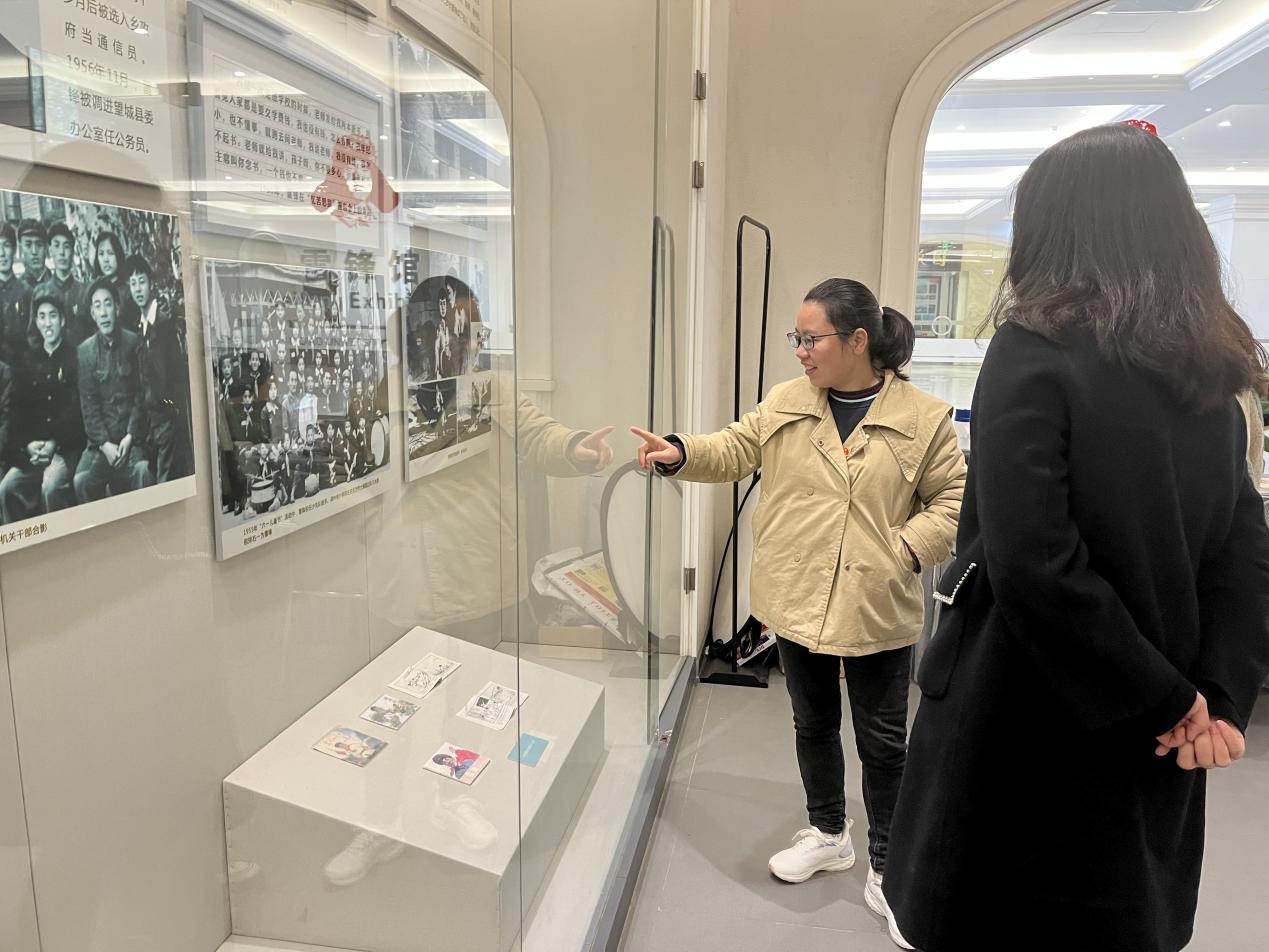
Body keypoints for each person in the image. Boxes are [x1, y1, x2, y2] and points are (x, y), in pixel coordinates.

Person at [884, 124, 1269, 952]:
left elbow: (1033, 561)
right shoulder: (1213, 370)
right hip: (1158, 729)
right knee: (1122, 913)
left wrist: (1169, 701)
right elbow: (1243, 551)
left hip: (1024, 714)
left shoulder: (1032, 351)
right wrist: (1213, 699)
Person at [632, 278, 965, 917]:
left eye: (812, 339)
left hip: (872, 600)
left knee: (882, 741)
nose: (801, 351)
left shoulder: (923, 418)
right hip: (796, 590)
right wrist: (680, 453)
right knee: (812, 723)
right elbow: (735, 447)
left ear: (858, 340)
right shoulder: (788, 400)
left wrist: (901, 551)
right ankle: (829, 833)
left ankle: (889, 862)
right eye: (798, 338)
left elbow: (954, 499)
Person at [0, 296, 83, 521]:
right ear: (36, 322)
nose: (48, 323)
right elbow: (17, 412)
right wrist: (28, 445)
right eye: (42, 317)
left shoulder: (75, 358)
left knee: (51, 485)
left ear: (62, 320)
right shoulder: (27, 361)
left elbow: (76, 411)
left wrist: (55, 442)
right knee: (7, 487)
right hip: (34, 453)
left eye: (53, 316)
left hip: (65, 450)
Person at [73, 277, 152, 500]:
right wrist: (104, 444)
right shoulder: (84, 352)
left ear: (117, 309)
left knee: (143, 471)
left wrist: (131, 436)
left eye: (108, 304)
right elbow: (88, 408)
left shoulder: (134, 342)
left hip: (131, 440)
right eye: (98, 306)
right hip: (100, 446)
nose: (104, 312)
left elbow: (141, 395)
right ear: (92, 313)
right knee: (81, 481)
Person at [126, 255, 192, 482]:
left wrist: (169, 410)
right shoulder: (142, 326)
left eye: (141, 281)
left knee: (169, 480)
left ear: (151, 283)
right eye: (132, 283)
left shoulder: (164, 322)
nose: (138, 288)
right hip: (155, 423)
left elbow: (172, 377)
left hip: (168, 419)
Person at [34, 223, 92, 346]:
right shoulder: (41, 292)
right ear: (50, 251)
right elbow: (34, 338)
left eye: (66, 246)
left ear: (72, 251)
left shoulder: (86, 291)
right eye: (57, 246)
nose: (62, 252)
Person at [0, 223, 33, 365]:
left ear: (14, 250)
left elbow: (34, 339)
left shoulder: (26, 292)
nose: (1, 253)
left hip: (22, 368)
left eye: (6, 245)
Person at [17, 220, 49, 290]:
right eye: (28, 245)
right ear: (21, 249)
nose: (34, 251)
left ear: (46, 248)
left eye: (39, 244)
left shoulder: (62, 286)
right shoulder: (16, 290)